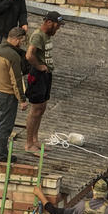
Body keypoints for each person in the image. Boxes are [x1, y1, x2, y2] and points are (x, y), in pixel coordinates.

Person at [24, 11, 64, 151]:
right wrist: (39, 66)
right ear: (48, 22)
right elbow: (29, 55)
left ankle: (35, 139)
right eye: (57, 25)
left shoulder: (47, 35)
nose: (58, 28)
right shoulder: (38, 35)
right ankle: (29, 144)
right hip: (38, 74)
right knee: (35, 109)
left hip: (46, 74)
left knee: (42, 107)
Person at [0, 27, 28, 162]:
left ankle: (1, 151)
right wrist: (22, 99)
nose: (21, 43)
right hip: (7, 95)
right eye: (21, 40)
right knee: (5, 126)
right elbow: (16, 80)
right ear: (16, 39)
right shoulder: (13, 56)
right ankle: (0, 155)